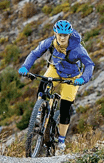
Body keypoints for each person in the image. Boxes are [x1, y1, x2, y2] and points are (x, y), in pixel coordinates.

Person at [18, 19, 94, 151]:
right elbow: (35, 53)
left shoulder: (77, 48)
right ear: (55, 33)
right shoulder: (50, 42)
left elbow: (89, 64)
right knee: (44, 82)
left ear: (69, 34)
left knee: (65, 107)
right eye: (60, 34)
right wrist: (25, 67)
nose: (62, 37)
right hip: (56, 69)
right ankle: (40, 111)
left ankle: (61, 141)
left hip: (72, 77)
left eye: (65, 35)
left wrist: (83, 78)